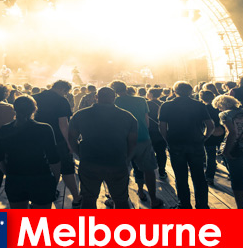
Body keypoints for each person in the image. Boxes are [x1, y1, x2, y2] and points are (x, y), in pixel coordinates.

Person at [68, 87, 138, 209]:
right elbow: (132, 143)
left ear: (96, 98)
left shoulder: (80, 115)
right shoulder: (128, 116)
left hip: (89, 162)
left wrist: (80, 154)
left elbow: (71, 138)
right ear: (114, 98)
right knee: (121, 200)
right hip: (117, 162)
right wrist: (127, 159)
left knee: (88, 200)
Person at [0, 96, 60, 209]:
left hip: (15, 178)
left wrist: (9, 173)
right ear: (34, 109)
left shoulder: (5, 129)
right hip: (41, 177)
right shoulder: (44, 129)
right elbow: (53, 158)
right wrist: (55, 179)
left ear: (15, 109)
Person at [159, 81, 214, 209]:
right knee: (199, 176)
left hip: (176, 143)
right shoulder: (199, 105)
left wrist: (167, 140)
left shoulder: (166, 105)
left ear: (175, 91)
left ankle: (184, 205)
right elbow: (210, 125)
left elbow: (162, 126)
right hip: (196, 143)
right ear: (190, 91)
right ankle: (202, 206)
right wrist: (204, 138)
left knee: (180, 176)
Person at [110, 80, 163, 208]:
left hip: (122, 140)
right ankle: (153, 199)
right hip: (143, 138)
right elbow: (147, 122)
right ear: (126, 87)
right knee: (148, 170)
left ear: (113, 91)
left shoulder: (114, 102)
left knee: (121, 171)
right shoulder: (141, 100)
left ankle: (119, 200)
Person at [33, 80, 82, 207]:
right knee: (67, 169)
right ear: (63, 90)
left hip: (37, 140)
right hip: (58, 140)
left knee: (41, 169)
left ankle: (39, 199)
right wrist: (70, 143)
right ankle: (76, 198)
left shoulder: (35, 97)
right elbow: (63, 125)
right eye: (66, 93)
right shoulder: (61, 100)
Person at [199, 90, 225, 186]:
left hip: (208, 132)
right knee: (225, 153)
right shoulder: (219, 107)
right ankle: (232, 174)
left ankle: (210, 177)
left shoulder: (203, 108)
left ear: (201, 98)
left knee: (210, 156)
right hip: (222, 131)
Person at [146, 88, 168, 180]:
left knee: (149, 152)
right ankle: (162, 171)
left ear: (150, 94)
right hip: (161, 131)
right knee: (161, 152)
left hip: (149, 131)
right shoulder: (163, 104)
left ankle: (149, 172)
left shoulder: (146, 104)